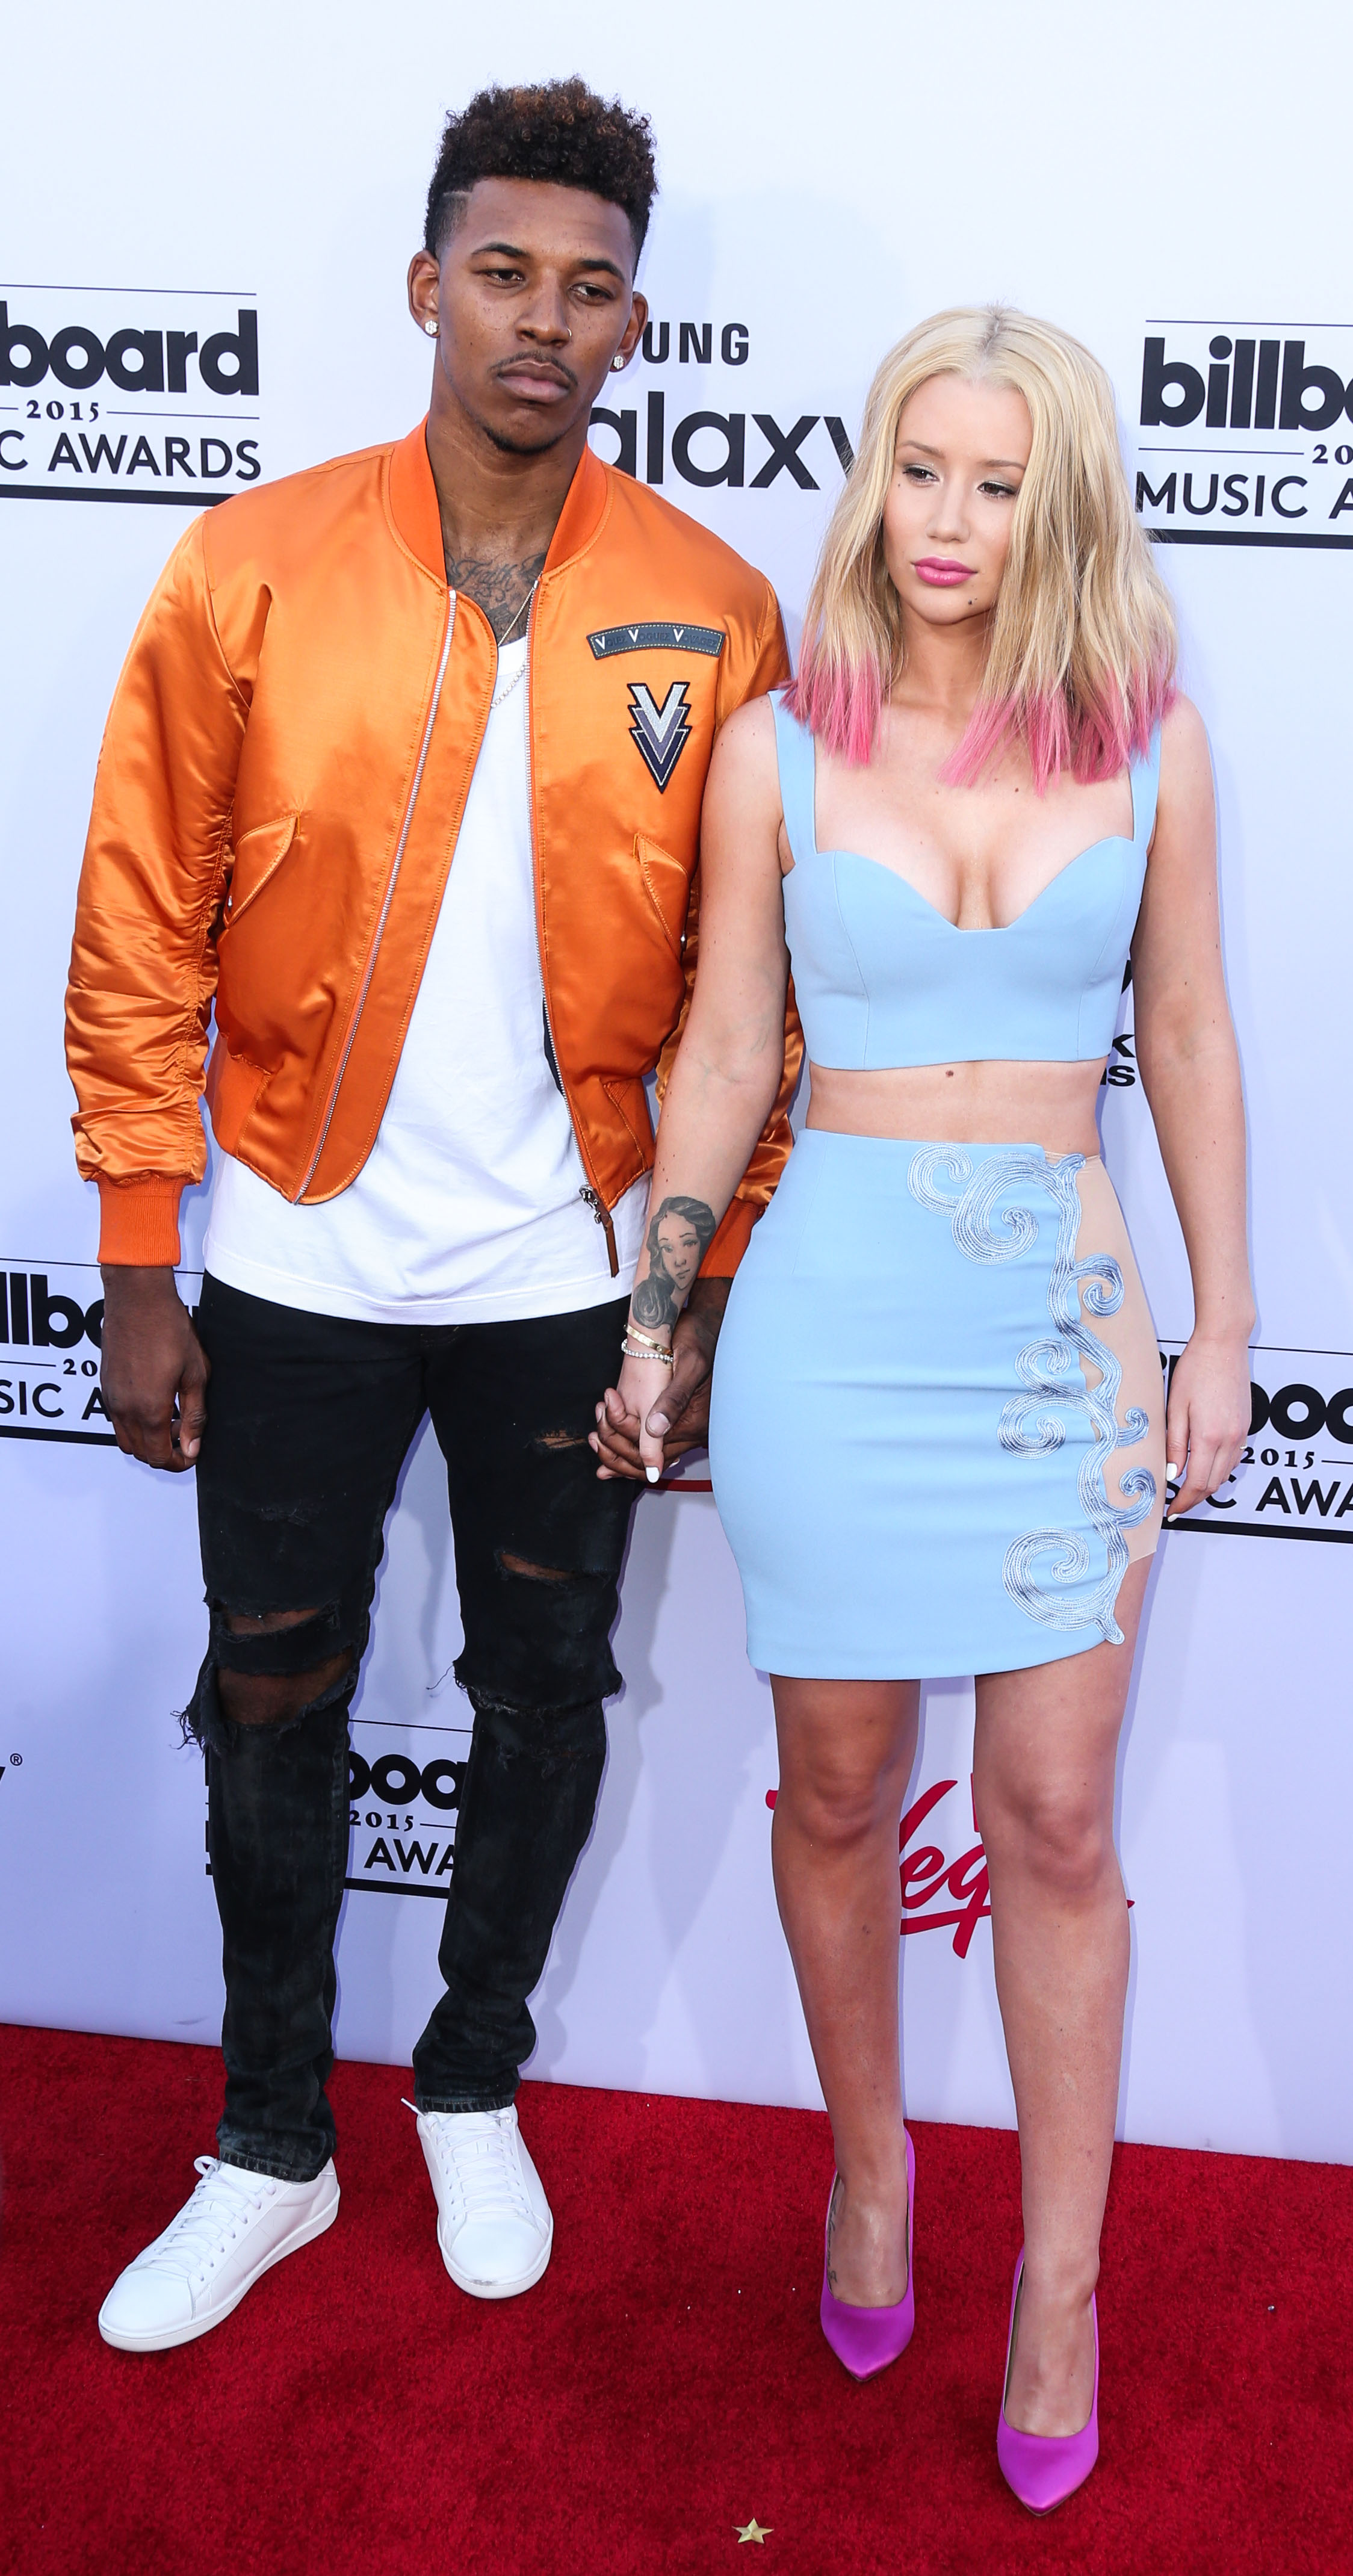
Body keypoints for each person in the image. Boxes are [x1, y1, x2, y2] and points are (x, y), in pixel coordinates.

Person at [67, 78, 797, 2354]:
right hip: (290, 1253)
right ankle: (269, 2141)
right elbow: (140, 916)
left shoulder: (713, 607)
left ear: (634, 323)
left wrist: (692, 1292)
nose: (543, 321)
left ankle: (473, 2079)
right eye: (503, 274)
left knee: (547, 1685)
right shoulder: (252, 564)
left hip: (572, 1271)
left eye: (589, 288)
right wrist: (137, 1255)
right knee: (269, 1688)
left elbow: (746, 1004)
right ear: (425, 287)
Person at [595, 307, 1251, 2513]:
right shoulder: (778, 750)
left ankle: (1062, 2282)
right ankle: (870, 2169)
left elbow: (1190, 1037)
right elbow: (723, 1054)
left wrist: (1226, 1326)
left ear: (1061, 503)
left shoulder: (1154, 750)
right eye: (919, 468)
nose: (948, 519)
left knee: (1057, 1819)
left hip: (1060, 1323)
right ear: (874, 475)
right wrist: (658, 1321)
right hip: (832, 1320)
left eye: (998, 480)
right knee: (837, 1788)